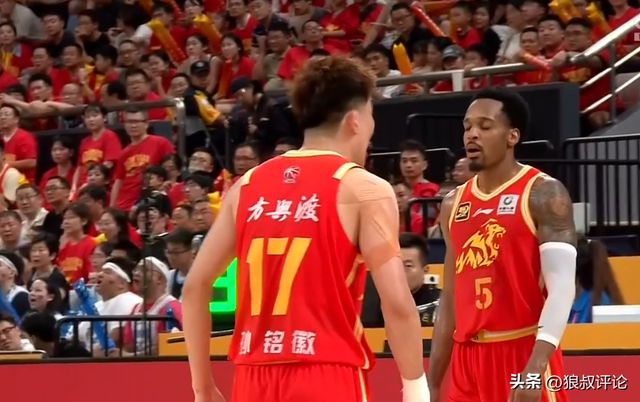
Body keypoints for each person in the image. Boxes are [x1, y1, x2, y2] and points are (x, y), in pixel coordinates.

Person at [183, 56, 427, 402]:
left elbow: (195, 288)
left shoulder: (246, 185)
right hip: (326, 373)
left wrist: (203, 388)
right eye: (371, 115)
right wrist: (416, 387)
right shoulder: (363, 188)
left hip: (252, 378)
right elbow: (397, 301)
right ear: (355, 121)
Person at [428, 88, 577, 402]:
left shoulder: (543, 193)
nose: (472, 134)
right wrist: (433, 382)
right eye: (467, 127)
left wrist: (535, 369)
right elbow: (450, 297)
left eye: (485, 126)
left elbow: (562, 289)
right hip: (467, 360)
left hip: (523, 350)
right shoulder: (452, 204)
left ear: (512, 136)